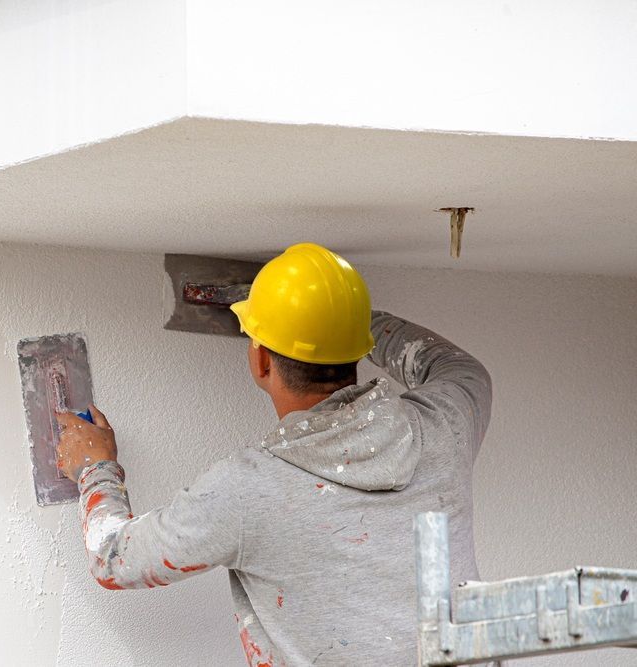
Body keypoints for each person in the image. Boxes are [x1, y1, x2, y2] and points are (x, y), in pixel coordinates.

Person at [56, 243, 492, 666]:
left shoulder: (247, 491)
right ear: (358, 348)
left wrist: (95, 466)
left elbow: (111, 558)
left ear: (261, 360)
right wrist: (337, 318)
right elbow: (460, 367)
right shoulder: (444, 426)